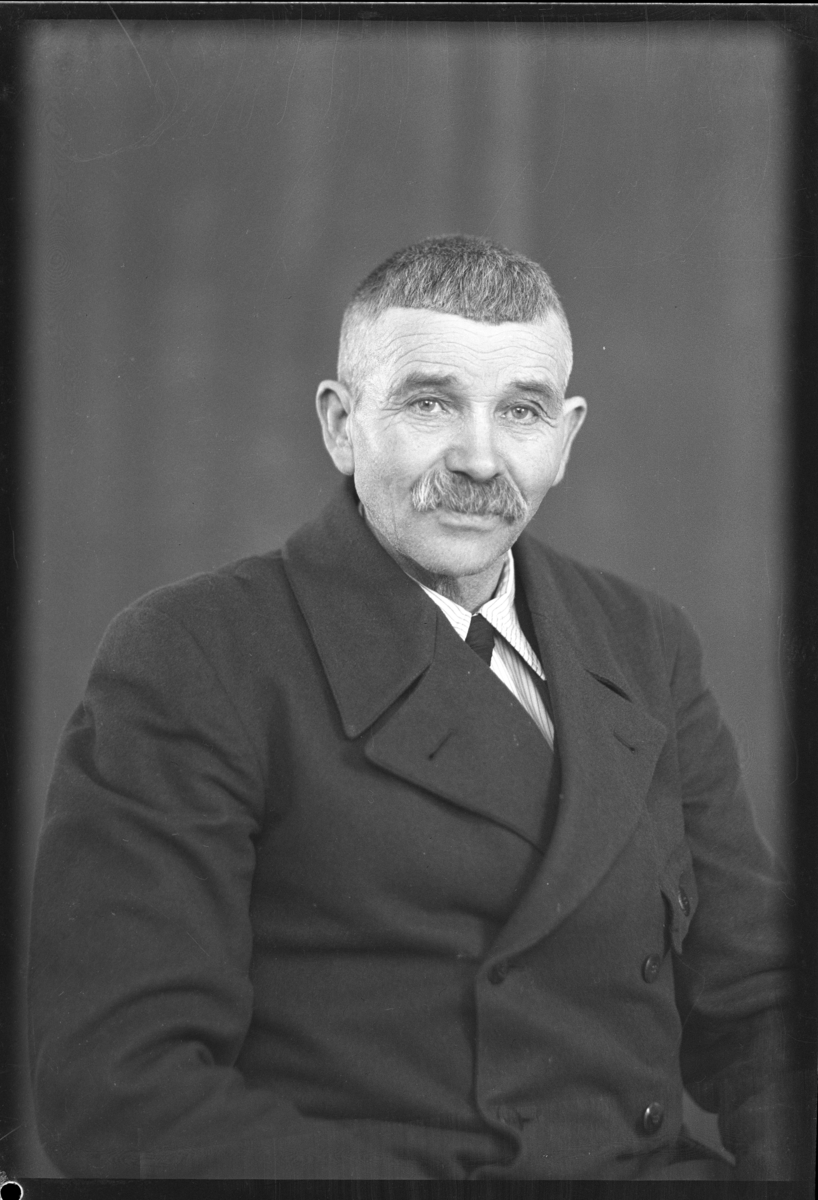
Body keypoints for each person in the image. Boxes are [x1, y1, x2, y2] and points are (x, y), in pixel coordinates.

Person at [28, 236, 799, 1180]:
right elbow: (119, 1087)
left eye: (522, 410)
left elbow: (763, 1006)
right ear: (340, 424)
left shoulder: (643, 641)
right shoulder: (197, 653)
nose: (479, 458)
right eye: (431, 403)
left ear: (566, 438)